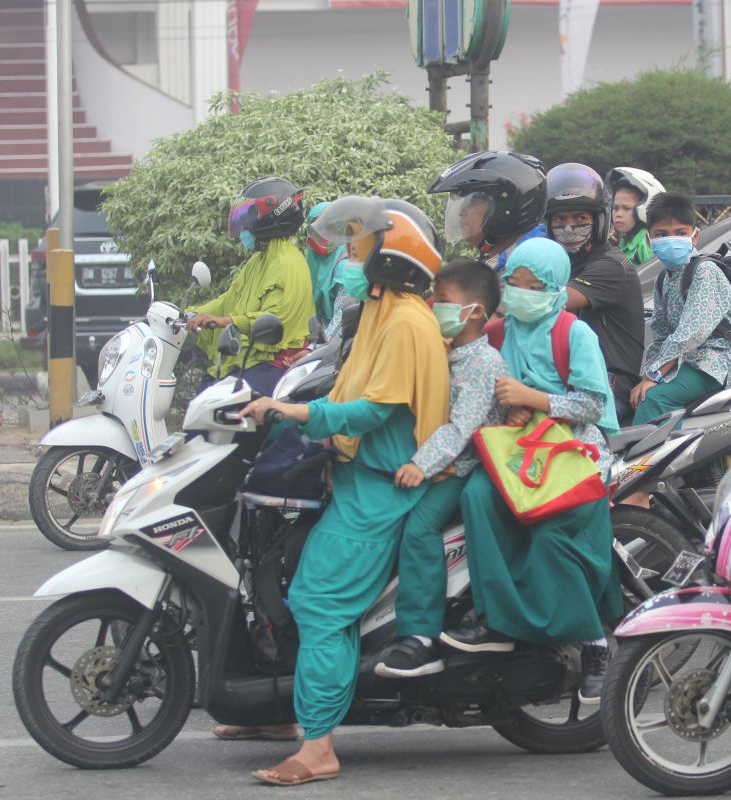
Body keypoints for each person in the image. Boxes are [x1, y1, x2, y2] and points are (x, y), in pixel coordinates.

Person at [238, 196, 450, 787]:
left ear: (392, 258)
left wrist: (294, 412)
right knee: (318, 599)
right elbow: (344, 391)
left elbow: (369, 412)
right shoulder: (380, 315)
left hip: (382, 491)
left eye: (360, 246)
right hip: (361, 480)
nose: (350, 257)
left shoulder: (406, 321)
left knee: (320, 604)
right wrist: (296, 411)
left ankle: (317, 747)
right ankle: (297, 720)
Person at [441, 237, 623, 705]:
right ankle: (494, 616)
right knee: (477, 498)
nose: (520, 293)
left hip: (569, 448)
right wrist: (512, 410)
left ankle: (594, 643)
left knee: (551, 533)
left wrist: (534, 400)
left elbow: (592, 403)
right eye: (513, 283)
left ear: (557, 288)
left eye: (532, 286)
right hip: (514, 448)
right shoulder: (499, 332)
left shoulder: (572, 333)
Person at [372, 259, 509, 678]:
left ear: (475, 312)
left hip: (463, 467)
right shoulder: (446, 352)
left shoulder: (483, 364)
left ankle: (420, 637)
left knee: (419, 529)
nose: (434, 307)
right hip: (443, 460)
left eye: (444, 301)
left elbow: (461, 429)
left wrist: (421, 465)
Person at [187, 177, 316, 396]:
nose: (245, 225)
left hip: (274, 362)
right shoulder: (258, 261)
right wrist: (192, 313)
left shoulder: (288, 264)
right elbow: (230, 299)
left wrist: (226, 321)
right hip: (253, 358)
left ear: (271, 218)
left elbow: (276, 316)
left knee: (223, 408)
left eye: (251, 216)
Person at [632, 191, 731, 424]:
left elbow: (691, 332)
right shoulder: (664, 279)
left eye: (680, 233)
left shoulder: (705, 271)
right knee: (640, 394)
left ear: (694, 237)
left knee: (654, 399)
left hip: (717, 364)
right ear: (649, 240)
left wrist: (654, 375)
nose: (671, 240)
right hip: (687, 363)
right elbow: (661, 335)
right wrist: (647, 375)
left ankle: (655, 460)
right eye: (661, 235)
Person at [545, 162, 646, 424]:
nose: (569, 228)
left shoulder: (611, 265)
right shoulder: (567, 262)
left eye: (580, 218)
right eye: (560, 219)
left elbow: (549, 302)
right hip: (572, 379)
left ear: (598, 220)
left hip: (608, 386)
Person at [428, 150, 548, 273]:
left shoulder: (527, 270)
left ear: (503, 210)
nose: (461, 210)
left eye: (473, 200)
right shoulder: (500, 260)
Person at [304, 201, 349, 341]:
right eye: (318, 228)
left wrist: (313, 350)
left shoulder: (345, 265)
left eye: (330, 227)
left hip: (336, 343)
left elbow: (341, 320)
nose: (324, 234)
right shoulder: (311, 259)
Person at [606, 166, 665, 266]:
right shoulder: (625, 242)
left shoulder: (646, 243)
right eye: (615, 207)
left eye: (626, 208)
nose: (618, 214)